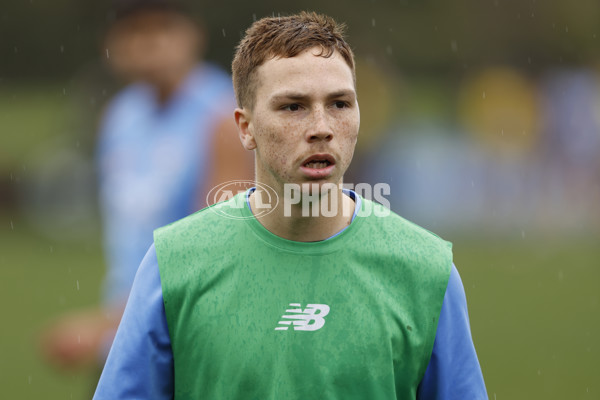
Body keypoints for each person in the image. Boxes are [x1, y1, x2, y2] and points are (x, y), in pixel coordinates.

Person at [94, 11, 488, 399]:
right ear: (245, 127)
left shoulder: (426, 271)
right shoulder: (173, 263)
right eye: (293, 107)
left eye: (339, 104)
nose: (321, 127)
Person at [40, 0, 251, 370]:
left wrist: (106, 325)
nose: (148, 42)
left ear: (194, 34)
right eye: (134, 31)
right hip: (127, 344)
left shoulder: (225, 118)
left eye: (163, 28)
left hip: (190, 345)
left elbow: (217, 256)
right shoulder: (120, 117)